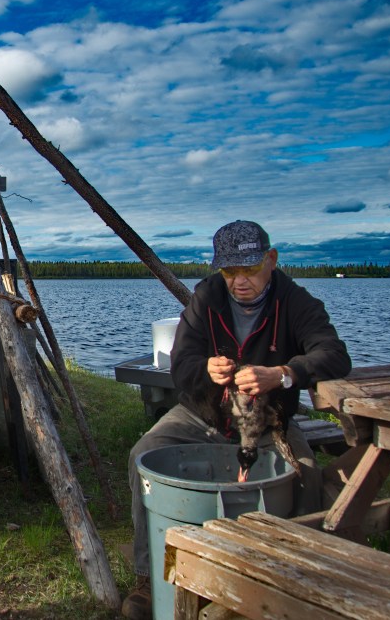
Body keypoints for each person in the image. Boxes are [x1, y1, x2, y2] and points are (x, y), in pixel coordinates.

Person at [121, 220, 351, 620]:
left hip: (270, 421)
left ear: (271, 260)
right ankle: (148, 575)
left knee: (307, 474)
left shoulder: (296, 302)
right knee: (144, 453)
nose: (239, 281)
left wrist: (281, 374)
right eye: (229, 271)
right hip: (202, 414)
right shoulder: (206, 298)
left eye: (248, 269)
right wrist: (207, 369)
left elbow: (334, 354)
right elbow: (181, 365)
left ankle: (294, 582)